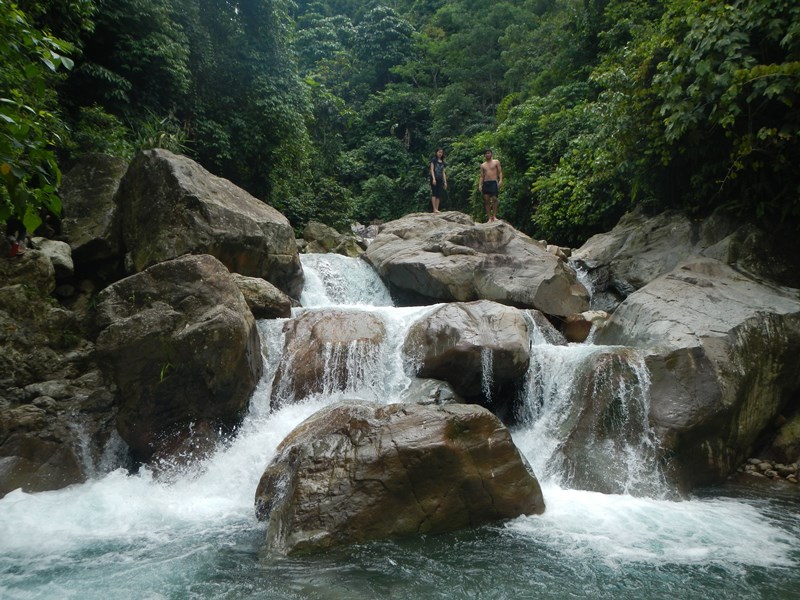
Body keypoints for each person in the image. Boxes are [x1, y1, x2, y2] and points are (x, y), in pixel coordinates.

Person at [478, 148, 503, 223]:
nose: (487, 154)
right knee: (486, 200)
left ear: (491, 154)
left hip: (493, 182)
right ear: (484, 155)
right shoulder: (483, 165)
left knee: (495, 198)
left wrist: (500, 180)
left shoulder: (496, 162)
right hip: (486, 183)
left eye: (489, 153)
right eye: (486, 153)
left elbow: (500, 172)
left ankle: (494, 216)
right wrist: (480, 185)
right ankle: (489, 217)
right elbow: (482, 176)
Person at [429, 147, 447, 213]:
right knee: (434, 193)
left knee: (438, 194)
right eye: (439, 152)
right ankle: (434, 209)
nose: (440, 153)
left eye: (441, 152)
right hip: (434, 178)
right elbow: (432, 170)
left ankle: (437, 208)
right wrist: (433, 179)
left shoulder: (443, 163)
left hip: (440, 179)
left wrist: (445, 182)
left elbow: (443, 173)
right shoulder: (433, 160)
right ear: (436, 153)